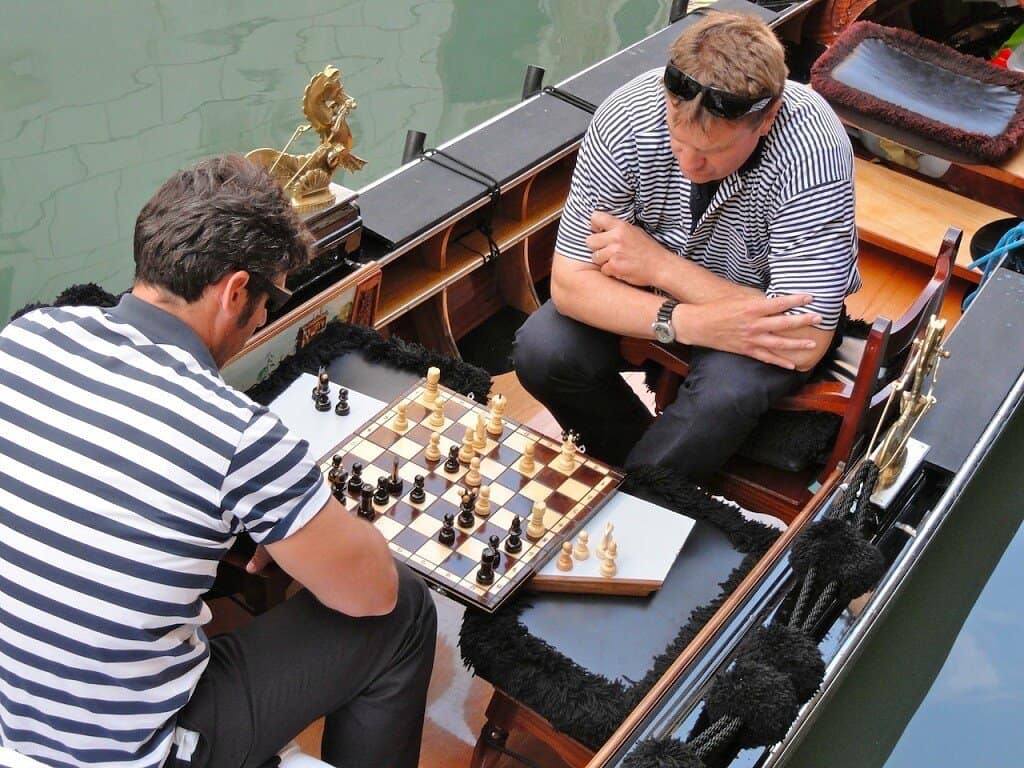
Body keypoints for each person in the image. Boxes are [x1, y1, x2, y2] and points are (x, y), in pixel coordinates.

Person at [0, 155, 436, 768]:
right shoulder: (237, 433)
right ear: (235, 291)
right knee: (408, 609)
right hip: (132, 752)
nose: (264, 317)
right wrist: (313, 517)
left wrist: (269, 514)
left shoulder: (26, 338)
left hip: (12, 710)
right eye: (271, 298)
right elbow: (373, 594)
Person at [515, 11, 859, 476]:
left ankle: (641, 495)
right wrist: (689, 322)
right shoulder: (627, 116)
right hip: (682, 304)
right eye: (679, 142)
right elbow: (570, 283)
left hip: (761, 325)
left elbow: (803, 339)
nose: (691, 164)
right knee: (543, 349)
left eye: (714, 151)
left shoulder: (814, 148)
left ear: (768, 117)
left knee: (724, 395)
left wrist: (660, 267)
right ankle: (631, 465)